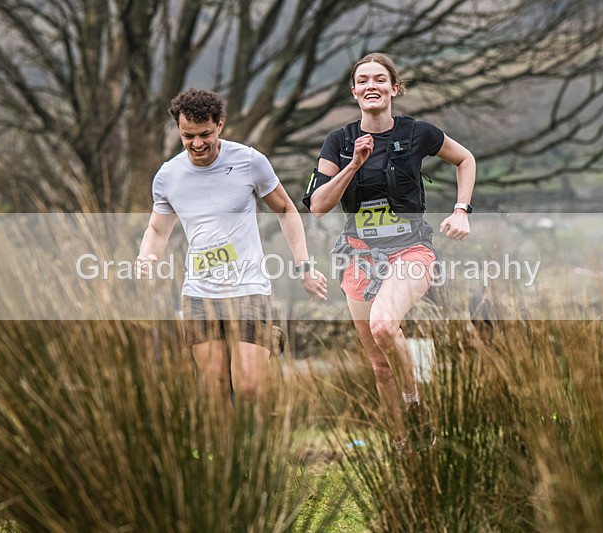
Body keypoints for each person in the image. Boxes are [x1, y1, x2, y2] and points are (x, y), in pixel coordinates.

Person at [304, 53, 475, 453]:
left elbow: (465, 159)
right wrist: (352, 166)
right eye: (362, 80)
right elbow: (316, 205)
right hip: (359, 255)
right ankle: (404, 447)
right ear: (354, 92)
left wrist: (461, 211)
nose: (371, 86)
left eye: (379, 79)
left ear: (394, 89)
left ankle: (415, 407)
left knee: (384, 327)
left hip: (410, 250)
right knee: (380, 365)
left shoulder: (418, 133)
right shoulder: (339, 141)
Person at [137, 89, 327, 438]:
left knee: (249, 387)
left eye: (205, 135)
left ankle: (267, 342)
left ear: (219, 126)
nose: (196, 144)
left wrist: (303, 266)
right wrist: (147, 256)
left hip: (248, 288)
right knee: (214, 389)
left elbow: (286, 209)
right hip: (199, 293)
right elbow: (157, 228)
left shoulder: (249, 162)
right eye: (187, 136)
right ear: (179, 130)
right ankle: (230, 471)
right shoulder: (168, 175)